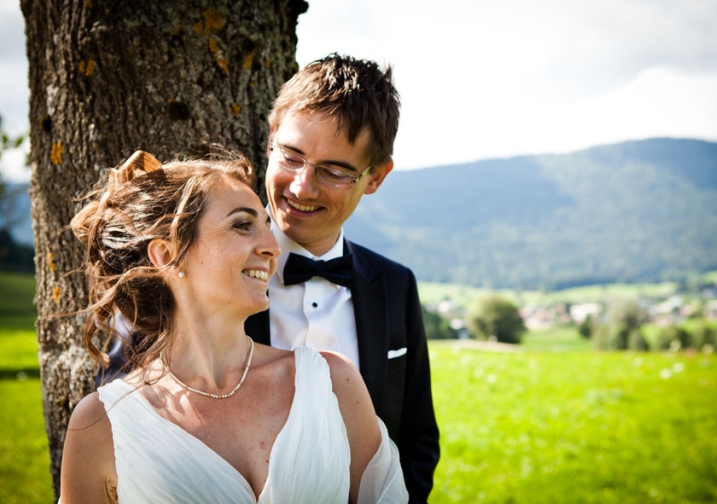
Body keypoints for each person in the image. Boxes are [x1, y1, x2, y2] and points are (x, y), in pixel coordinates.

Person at [61, 150, 408, 503]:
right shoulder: (101, 424)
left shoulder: (333, 383)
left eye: (267, 226)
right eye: (243, 225)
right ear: (167, 255)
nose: (273, 247)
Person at [244, 53, 440, 503]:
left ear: (375, 177)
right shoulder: (214, 271)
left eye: (333, 171)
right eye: (292, 156)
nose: (301, 187)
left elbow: (416, 437)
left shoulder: (396, 285)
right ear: (272, 138)